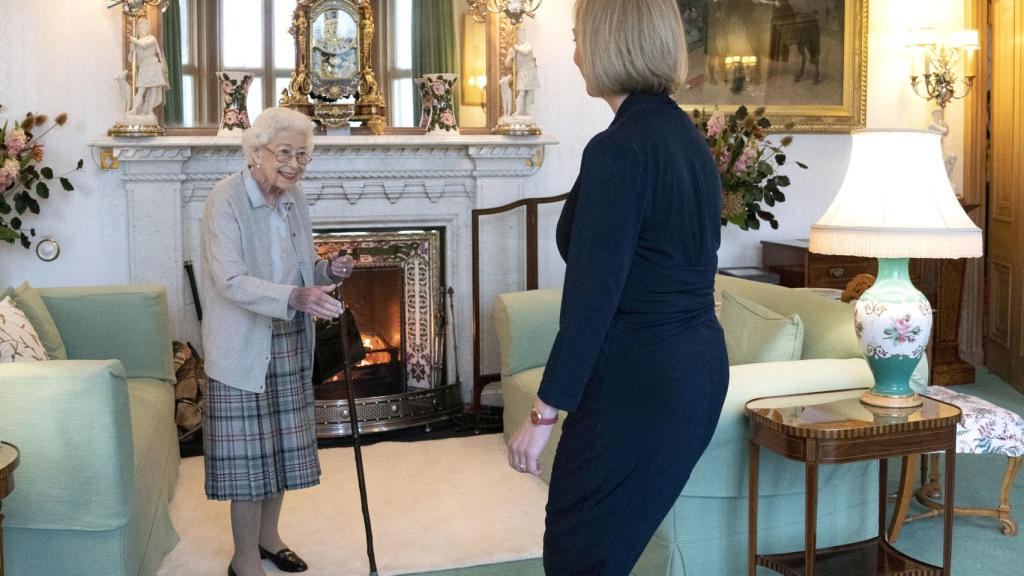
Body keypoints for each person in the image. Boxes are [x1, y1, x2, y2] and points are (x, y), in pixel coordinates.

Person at [505, 0, 729, 574]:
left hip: (642, 380)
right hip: (692, 370)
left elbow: (590, 303)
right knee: (606, 549)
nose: (574, 51)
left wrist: (543, 415)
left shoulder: (620, 149)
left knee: (581, 554)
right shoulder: (684, 138)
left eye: (579, 36)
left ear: (611, 44)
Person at [199, 107, 355, 576]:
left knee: (282, 452)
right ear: (255, 152)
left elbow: (300, 268)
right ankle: (243, 557)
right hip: (241, 347)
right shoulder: (223, 200)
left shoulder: (294, 199)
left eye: (303, 156)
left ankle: (270, 538)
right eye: (284, 152)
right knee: (249, 462)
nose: (294, 164)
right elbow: (230, 280)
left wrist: (329, 272)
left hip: (288, 339)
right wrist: (296, 294)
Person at [127, 18, 168, 117]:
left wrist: (135, 40)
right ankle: (134, 110)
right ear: (138, 29)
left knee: (153, 89)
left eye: (145, 27)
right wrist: (132, 50)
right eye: (141, 27)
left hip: (153, 66)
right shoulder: (136, 42)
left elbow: (144, 45)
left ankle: (149, 110)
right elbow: (131, 60)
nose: (143, 29)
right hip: (143, 67)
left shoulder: (151, 38)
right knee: (141, 90)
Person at [505, 29, 539, 117]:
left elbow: (525, 51)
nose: (522, 36)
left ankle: (526, 110)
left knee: (530, 93)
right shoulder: (513, 48)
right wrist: (510, 57)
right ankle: (519, 111)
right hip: (521, 72)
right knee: (522, 92)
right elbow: (507, 64)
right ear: (517, 36)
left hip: (530, 70)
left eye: (523, 34)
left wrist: (516, 48)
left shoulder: (528, 45)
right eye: (520, 34)